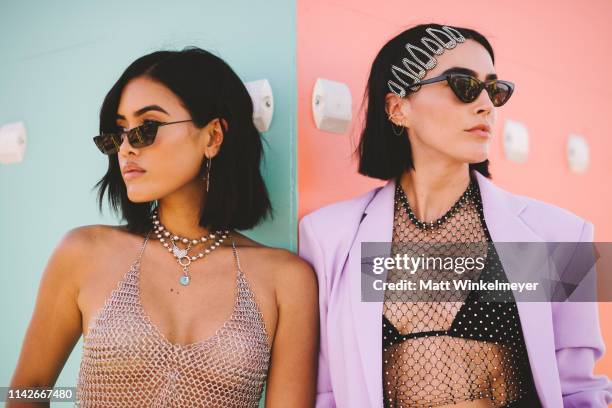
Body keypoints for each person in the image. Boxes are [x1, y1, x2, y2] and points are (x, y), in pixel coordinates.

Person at [299, 23, 612, 408]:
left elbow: (580, 392)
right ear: (398, 107)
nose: (485, 105)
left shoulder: (560, 235)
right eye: (463, 85)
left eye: (494, 91)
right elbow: (327, 392)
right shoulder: (330, 237)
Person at [9, 47, 318, 408]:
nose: (125, 149)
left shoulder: (286, 279)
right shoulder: (82, 253)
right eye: (119, 133)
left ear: (213, 136)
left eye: (146, 129)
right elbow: (27, 388)